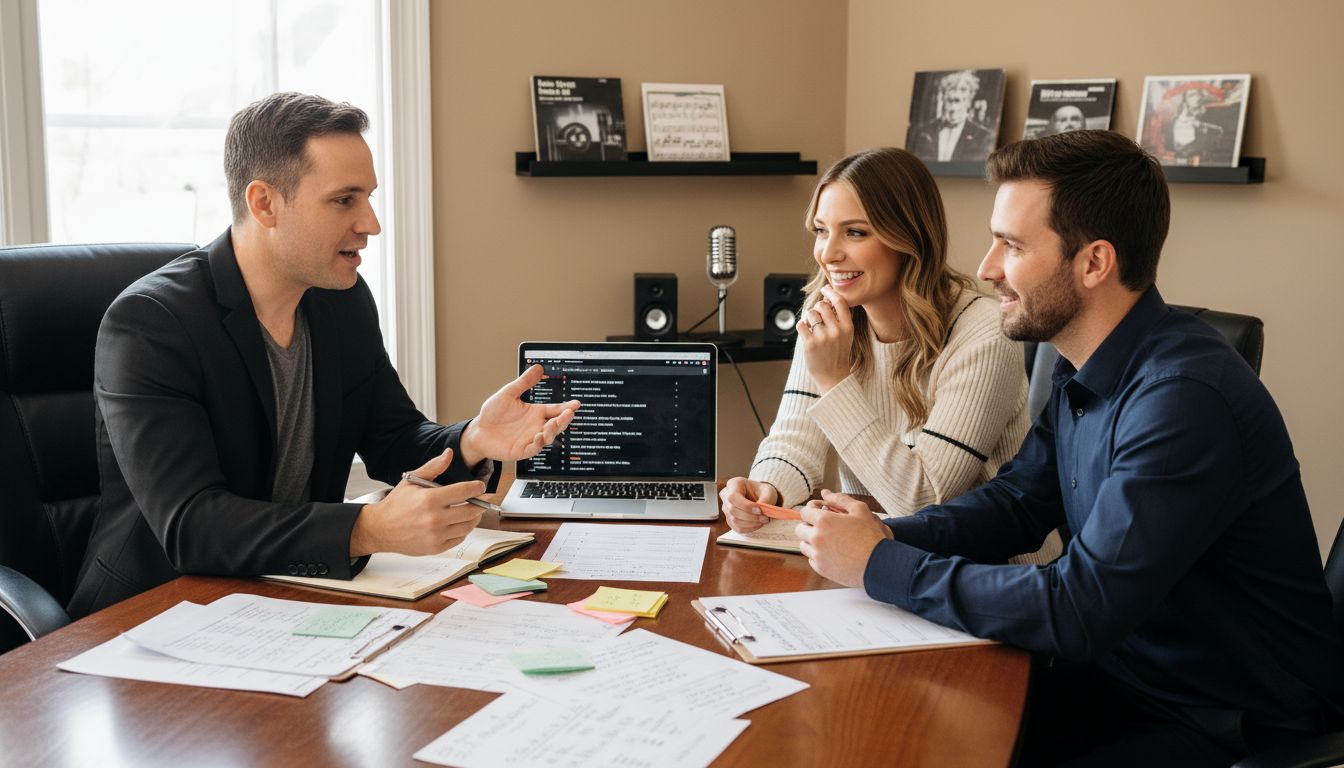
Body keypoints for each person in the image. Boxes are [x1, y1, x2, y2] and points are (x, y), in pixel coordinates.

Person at [795, 130, 1344, 765]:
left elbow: (1081, 607)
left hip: (1226, 720)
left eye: (1013, 245)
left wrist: (878, 567)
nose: (987, 267)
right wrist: (891, 536)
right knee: (884, 720)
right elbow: (1018, 503)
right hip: (1127, 681)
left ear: (1093, 263)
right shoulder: (1084, 361)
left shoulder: (1183, 400)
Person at [69, 93, 579, 618]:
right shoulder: (152, 324)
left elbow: (394, 439)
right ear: (264, 203)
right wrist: (368, 529)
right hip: (156, 612)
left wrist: (473, 439)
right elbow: (191, 525)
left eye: (369, 198)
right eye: (345, 200)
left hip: (291, 595)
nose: (371, 224)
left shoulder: (342, 300)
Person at [720, 147, 1059, 565]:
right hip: (882, 562)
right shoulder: (828, 315)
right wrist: (764, 490)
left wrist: (835, 381)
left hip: (992, 579)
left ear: (908, 238)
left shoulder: (984, 333)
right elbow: (795, 441)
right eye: (822, 230)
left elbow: (923, 501)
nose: (828, 254)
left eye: (855, 232)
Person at [906, 70, 997, 163]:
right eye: (950, 100)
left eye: (960, 100)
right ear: (943, 98)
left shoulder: (984, 137)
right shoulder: (923, 133)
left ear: (970, 99)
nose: (954, 108)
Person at [1163, 87, 1225, 165]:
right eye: (1192, 95)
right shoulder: (1171, 125)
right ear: (1184, 100)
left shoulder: (1208, 125)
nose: (1197, 98)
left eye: (1199, 95)